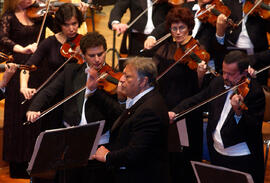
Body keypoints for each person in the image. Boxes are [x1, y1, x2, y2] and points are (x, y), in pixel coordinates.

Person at [26, 31, 118, 183]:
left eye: (101, 54)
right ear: (82, 55)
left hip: (99, 142)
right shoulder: (71, 71)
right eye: (92, 55)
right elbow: (48, 91)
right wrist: (33, 108)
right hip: (72, 139)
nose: (97, 60)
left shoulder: (112, 79)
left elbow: (116, 111)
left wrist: (95, 91)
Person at [169, 50, 265, 183]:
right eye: (224, 71)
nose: (225, 77)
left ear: (244, 72)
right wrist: (176, 112)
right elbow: (197, 100)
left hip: (241, 158)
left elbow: (252, 128)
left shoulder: (254, 92)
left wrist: (238, 112)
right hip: (217, 153)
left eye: (230, 74)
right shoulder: (218, 83)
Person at [89, 57, 170, 183]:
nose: (121, 80)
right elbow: (121, 117)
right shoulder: (143, 99)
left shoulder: (150, 110)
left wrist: (107, 156)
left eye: (127, 77)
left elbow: (135, 152)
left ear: (143, 81)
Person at [0, 0, 55, 178]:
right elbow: (2, 39)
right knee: (19, 115)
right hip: (17, 70)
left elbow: (58, 28)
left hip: (39, 68)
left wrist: (79, 13)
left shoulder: (40, 14)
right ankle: (19, 164)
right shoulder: (8, 17)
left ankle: (37, 162)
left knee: (37, 112)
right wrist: (22, 49)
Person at [152, 6, 207, 183]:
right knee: (169, 155)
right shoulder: (164, 49)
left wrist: (200, 74)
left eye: (181, 27)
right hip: (166, 109)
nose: (177, 32)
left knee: (186, 157)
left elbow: (199, 88)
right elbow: (155, 76)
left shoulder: (198, 50)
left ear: (189, 27)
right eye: (174, 28)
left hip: (187, 112)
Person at [213, 0, 270, 85]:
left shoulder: (262, 6)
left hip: (256, 60)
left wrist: (255, 58)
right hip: (230, 58)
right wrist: (220, 32)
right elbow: (218, 47)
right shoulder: (225, 4)